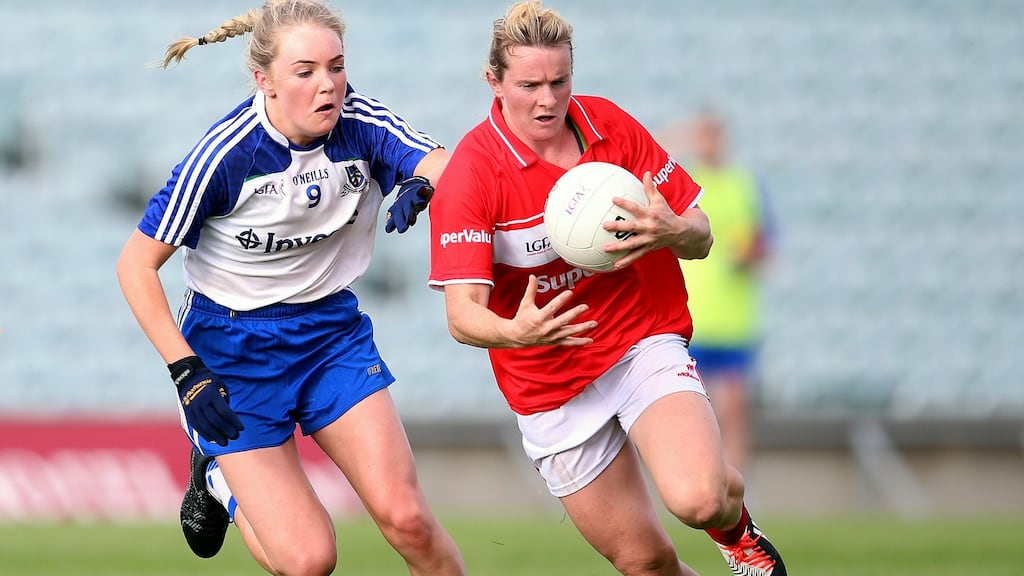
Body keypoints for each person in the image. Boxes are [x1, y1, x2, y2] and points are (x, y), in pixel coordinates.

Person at [427, 2, 786, 575]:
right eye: (528, 85)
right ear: (493, 81)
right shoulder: (472, 173)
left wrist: (673, 229)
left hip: (638, 340)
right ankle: (718, 487)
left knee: (697, 498)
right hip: (547, 381)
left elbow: (702, 235)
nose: (547, 100)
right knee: (644, 560)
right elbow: (461, 314)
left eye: (558, 81)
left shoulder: (609, 126)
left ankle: (735, 529)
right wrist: (515, 331)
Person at [115, 2, 465, 575]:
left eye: (336, 66)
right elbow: (135, 265)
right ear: (265, 81)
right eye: (305, 71)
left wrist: (421, 184)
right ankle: (221, 476)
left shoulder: (361, 121)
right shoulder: (224, 156)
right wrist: (186, 372)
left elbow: (442, 162)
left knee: (408, 519)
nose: (327, 85)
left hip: (331, 336)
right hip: (232, 351)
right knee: (309, 561)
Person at [671, 110, 775, 472]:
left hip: (734, 317)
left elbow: (766, 245)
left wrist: (752, 251)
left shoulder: (745, 183)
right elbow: (637, 156)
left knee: (734, 408)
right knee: (694, 409)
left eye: (714, 134)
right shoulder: (684, 180)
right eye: (703, 134)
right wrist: (682, 135)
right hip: (692, 315)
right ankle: (700, 476)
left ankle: (734, 483)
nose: (709, 142)